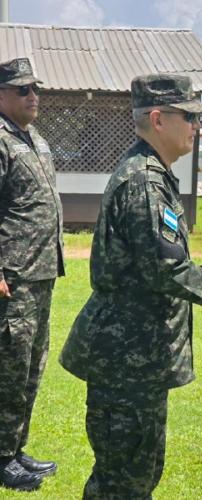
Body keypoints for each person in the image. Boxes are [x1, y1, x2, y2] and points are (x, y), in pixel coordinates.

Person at [59, 73, 202, 499]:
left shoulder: (151, 173)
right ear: (158, 119)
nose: (197, 126)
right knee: (123, 482)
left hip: (135, 360)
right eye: (188, 117)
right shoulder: (145, 182)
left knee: (136, 474)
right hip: (126, 362)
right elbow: (168, 270)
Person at [0, 57, 65, 492]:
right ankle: (2, 458)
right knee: (7, 368)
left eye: (34, 89)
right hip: (13, 278)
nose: (33, 96)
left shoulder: (34, 138)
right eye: (23, 90)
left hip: (40, 275)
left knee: (29, 368)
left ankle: (16, 448)